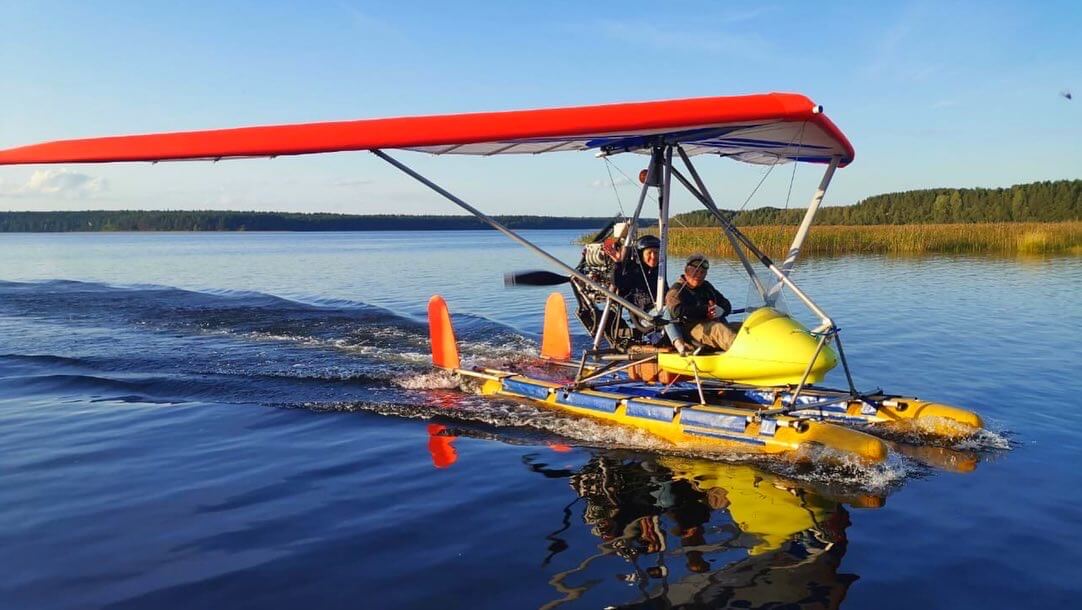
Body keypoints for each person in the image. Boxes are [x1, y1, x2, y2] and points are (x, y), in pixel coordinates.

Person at [665, 253, 738, 353]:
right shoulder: (676, 290)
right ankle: (745, 354)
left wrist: (720, 310)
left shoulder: (706, 286)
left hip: (712, 324)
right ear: (686, 270)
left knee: (744, 327)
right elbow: (676, 311)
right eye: (695, 271)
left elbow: (726, 304)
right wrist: (705, 310)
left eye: (703, 272)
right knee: (718, 330)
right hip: (692, 329)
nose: (699, 275)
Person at [614, 234, 664, 313]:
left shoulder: (658, 272)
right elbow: (618, 283)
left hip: (661, 309)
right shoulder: (634, 272)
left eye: (656, 253)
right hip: (645, 315)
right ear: (641, 255)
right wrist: (618, 263)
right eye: (649, 253)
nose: (653, 256)